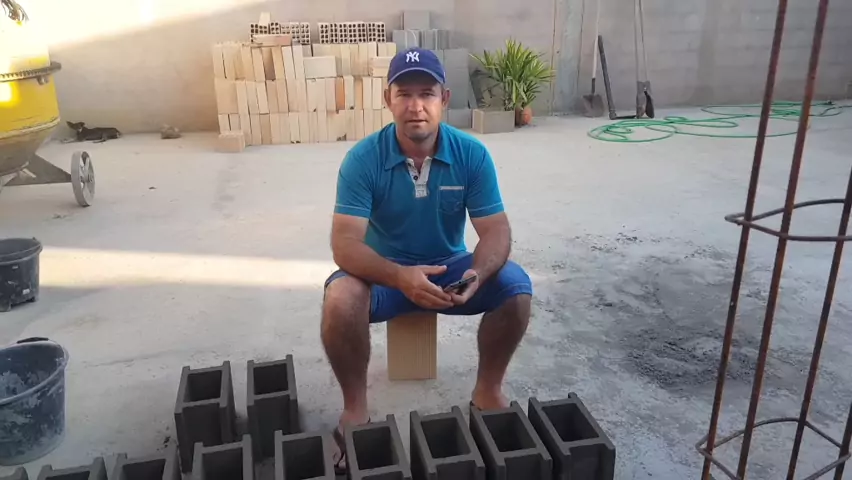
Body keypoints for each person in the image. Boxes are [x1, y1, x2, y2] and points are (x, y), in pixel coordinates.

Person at [321, 47, 533, 471]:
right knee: (340, 299)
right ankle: (355, 409)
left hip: (447, 269)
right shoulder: (363, 159)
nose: (415, 106)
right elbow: (344, 244)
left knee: (515, 288)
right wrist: (399, 276)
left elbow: (495, 231)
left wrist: (476, 274)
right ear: (387, 99)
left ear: (444, 99)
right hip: (383, 274)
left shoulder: (471, 155)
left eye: (426, 93)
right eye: (404, 94)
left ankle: (487, 392)